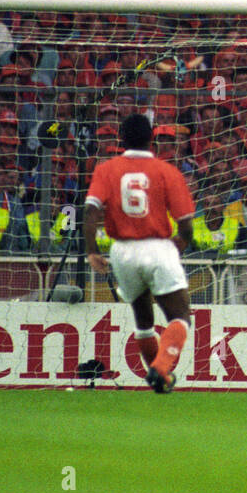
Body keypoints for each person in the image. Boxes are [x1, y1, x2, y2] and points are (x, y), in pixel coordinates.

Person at [84, 114, 196, 394]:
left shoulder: (106, 169)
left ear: (122, 140)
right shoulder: (167, 171)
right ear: (152, 139)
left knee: (143, 320)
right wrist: (181, 242)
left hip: (121, 251)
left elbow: (90, 211)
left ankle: (162, 381)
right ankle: (160, 368)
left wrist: (92, 252)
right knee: (180, 315)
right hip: (157, 247)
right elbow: (185, 223)